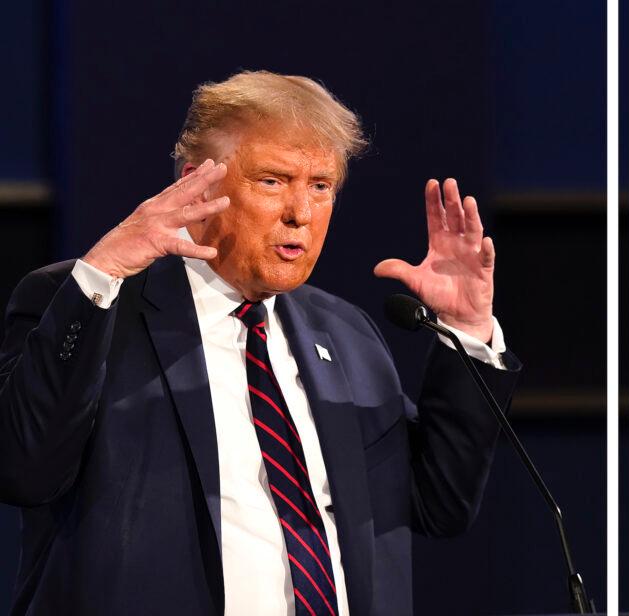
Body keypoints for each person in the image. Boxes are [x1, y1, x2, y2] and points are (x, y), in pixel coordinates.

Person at [0, 71, 519, 615]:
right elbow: (23, 467)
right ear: (196, 183)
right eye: (272, 181)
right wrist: (100, 274)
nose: (301, 213)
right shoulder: (89, 302)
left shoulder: (345, 333)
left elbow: (440, 504)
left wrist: (466, 331)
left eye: (320, 186)